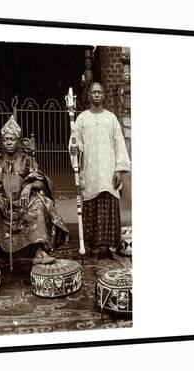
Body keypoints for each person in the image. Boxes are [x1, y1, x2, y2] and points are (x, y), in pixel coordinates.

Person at [0, 116, 70, 265]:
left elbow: (43, 182)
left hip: (23, 205)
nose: (9, 142)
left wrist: (29, 187)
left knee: (38, 203)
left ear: (19, 141)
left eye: (12, 139)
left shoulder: (27, 161)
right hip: (1, 204)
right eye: (5, 139)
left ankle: (39, 252)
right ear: (2, 142)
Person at [69, 82, 131, 260]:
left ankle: (110, 248)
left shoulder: (111, 118)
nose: (97, 95)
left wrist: (119, 170)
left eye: (100, 92)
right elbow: (76, 142)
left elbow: (119, 143)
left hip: (108, 171)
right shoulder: (82, 119)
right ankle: (94, 249)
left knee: (109, 207)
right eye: (93, 92)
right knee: (92, 210)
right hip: (90, 171)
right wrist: (75, 150)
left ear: (104, 95)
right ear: (89, 96)